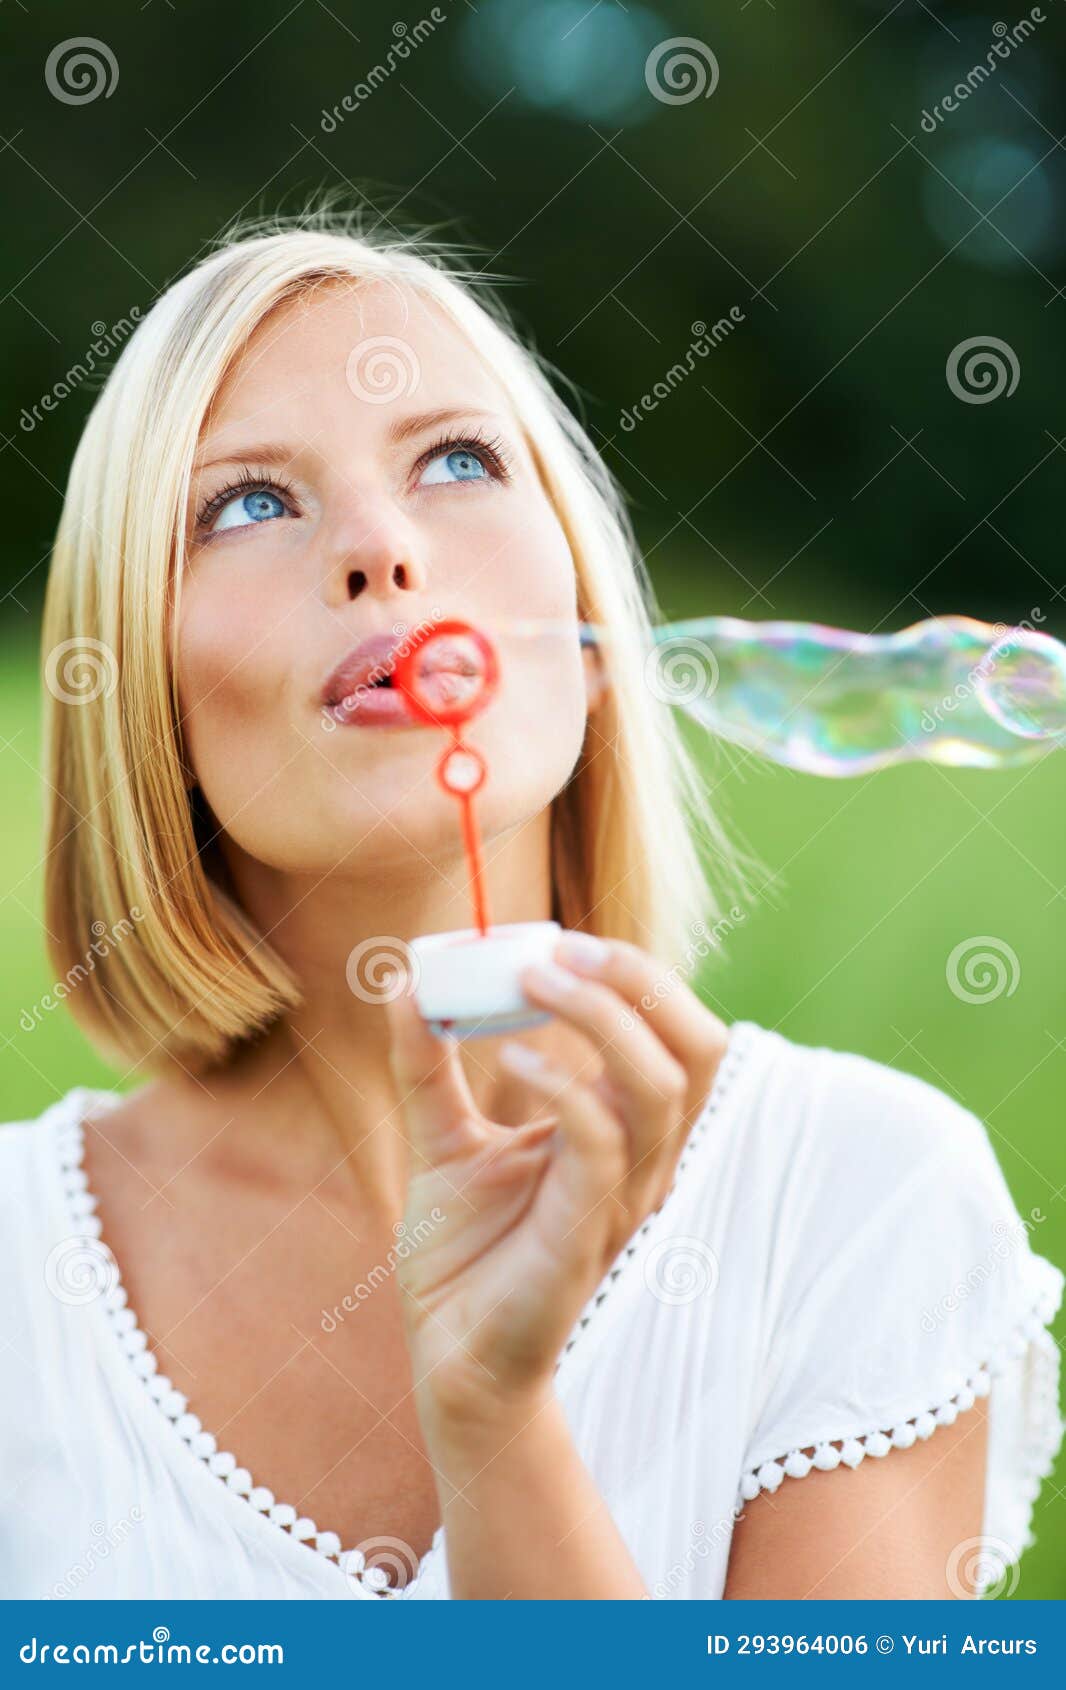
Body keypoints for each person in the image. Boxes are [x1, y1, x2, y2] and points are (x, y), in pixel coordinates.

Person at [2, 208, 1061, 1601]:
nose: (381, 549)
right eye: (246, 502)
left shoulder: (854, 1198)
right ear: (131, 677)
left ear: (583, 597)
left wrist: (497, 1426)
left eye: (455, 459)